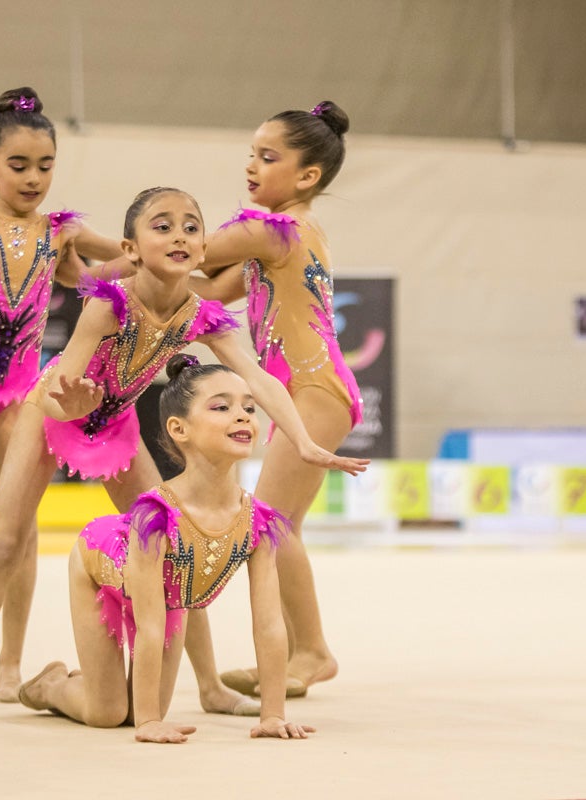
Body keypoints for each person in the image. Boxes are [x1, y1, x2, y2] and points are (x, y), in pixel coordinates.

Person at [0, 186, 367, 725]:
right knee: (5, 543)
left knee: (173, 546)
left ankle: (209, 687)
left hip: (114, 422)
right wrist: (69, 404)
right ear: (130, 249)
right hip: (53, 413)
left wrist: (303, 442)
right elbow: (53, 388)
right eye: (162, 226)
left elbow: (257, 377)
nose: (180, 235)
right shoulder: (108, 304)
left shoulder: (201, 315)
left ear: (204, 248)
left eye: (191, 226)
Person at [0, 87, 122, 702]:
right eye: (18, 165)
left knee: (22, 529)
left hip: (18, 389)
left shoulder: (61, 231)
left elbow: (122, 255)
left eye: (45, 166)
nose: (33, 177)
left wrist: (166, 258)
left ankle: (9, 664)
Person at [15, 355, 313, 743]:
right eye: (222, 407)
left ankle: (115, 698)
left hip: (170, 598)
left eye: (249, 408)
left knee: (141, 705)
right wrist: (149, 724)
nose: (242, 416)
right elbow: (149, 624)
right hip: (100, 566)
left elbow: (269, 623)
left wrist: (273, 714)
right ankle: (51, 686)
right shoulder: (156, 517)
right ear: (179, 429)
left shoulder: (257, 522)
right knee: (108, 714)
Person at [191, 102, 363, 698]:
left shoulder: (272, 228)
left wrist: (90, 259)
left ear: (307, 175)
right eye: (251, 154)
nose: (252, 166)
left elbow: (188, 250)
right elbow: (209, 285)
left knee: (267, 527)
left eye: (268, 157)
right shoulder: (286, 235)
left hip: (313, 388)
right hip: (313, 389)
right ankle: (299, 653)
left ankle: (310, 651)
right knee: (279, 528)